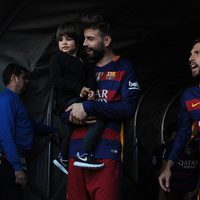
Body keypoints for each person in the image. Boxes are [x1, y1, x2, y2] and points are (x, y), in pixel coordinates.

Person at [65, 13, 140, 200]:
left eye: (90, 39)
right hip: (75, 153)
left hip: (107, 153)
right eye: (84, 39)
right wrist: (69, 115)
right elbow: (62, 107)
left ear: (106, 40)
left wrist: (89, 107)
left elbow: (128, 108)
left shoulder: (125, 67)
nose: (84, 44)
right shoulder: (80, 67)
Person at [49, 22, 105, 175]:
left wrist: (92, 90)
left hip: (80, 101)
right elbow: (55, 79)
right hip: (66, 103)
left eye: (68, 39)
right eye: (61, 40)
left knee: (73, 129)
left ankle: (63, 158)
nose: (64, 43)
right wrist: (78, 88)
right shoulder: (58, 58)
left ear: (78, 41)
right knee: (98, 118)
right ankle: (84, 154)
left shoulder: (84, 61)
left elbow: (90, 79)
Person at [0, 63, 57, 200]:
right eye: (23, 78)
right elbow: (5, 135)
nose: (27, 81)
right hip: (8, 163)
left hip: (16, 161)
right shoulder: (6, 100)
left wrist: (52, 130)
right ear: (14, 78)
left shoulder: (15, 101)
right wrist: (17, 168)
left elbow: (29, 124)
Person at [158, 38, 200, 199]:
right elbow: (182, 135)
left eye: (197, 53)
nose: (190, 58)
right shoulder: (189, 95)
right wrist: (168, 167)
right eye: (190, 54)